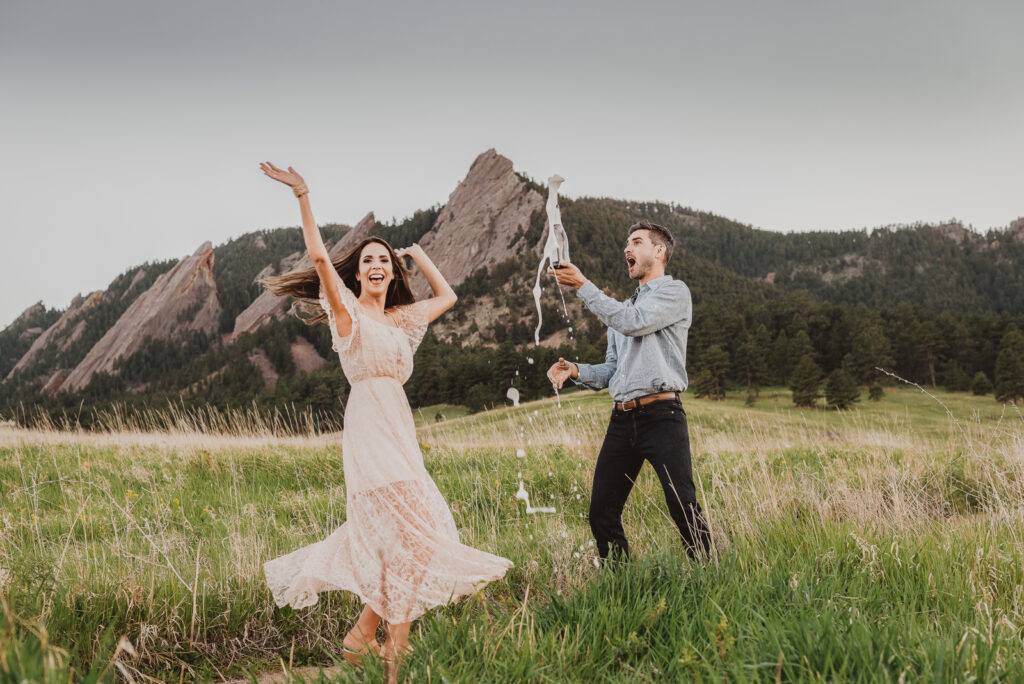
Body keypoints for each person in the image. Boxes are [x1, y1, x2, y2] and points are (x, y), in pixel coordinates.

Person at [258, 162, 512, 667]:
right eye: (368, 260)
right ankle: (397, 643)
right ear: (357, 273)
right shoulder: (347, 312)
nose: (376, 265)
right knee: (411, 528)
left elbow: (449, 296)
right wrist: (303, 194)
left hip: (399, 428)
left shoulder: (401, 320)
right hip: (368, 428)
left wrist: (418, 254)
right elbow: (319, 257)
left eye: (385, 261)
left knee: (408, 537)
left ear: (392, 274)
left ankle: (362, 635)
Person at [546, 221, 712, 563]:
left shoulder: (674, 292)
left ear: (659, 250)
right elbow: (612, 369)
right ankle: (619, 583)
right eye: (626, 243)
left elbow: (633, 321)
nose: (627, 249)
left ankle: (708, 574)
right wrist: (576, 370)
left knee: (682, 505)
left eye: (636, 242)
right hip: (622, 420)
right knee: (601, 512)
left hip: (662, 416)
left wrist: (583, 285)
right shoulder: (622, 311)